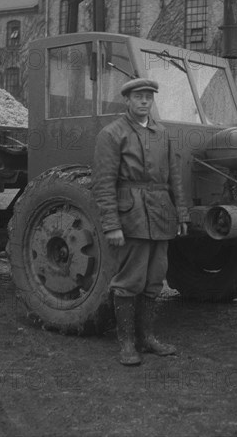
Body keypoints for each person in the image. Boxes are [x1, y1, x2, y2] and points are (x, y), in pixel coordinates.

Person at [91, 78, 189, 365]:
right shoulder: (112, 134)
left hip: (160, 214)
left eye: (149, 97)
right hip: (130, 215)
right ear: (127, 100)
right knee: (129, 281)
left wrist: (181, 213)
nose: (144, 101)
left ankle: (147, 339)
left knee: (154, 279)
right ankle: (127, 344)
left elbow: (174, 179)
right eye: (138, 97)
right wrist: (111, 225)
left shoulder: (162, 133)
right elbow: (103, 183)